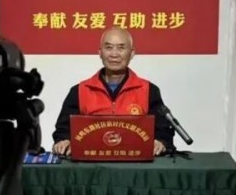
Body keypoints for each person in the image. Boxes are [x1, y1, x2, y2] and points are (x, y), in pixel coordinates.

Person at [52, 28, 174, 156]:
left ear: (132, 53)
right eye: (108, 48)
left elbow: (163, 130)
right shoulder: (80, 90)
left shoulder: (148, 90)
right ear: (100, 52)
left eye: (121, 48)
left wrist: (161, 142)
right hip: (91, 161)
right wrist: (64, 140)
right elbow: (63, 130)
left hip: (136, 161)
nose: (114, 54)